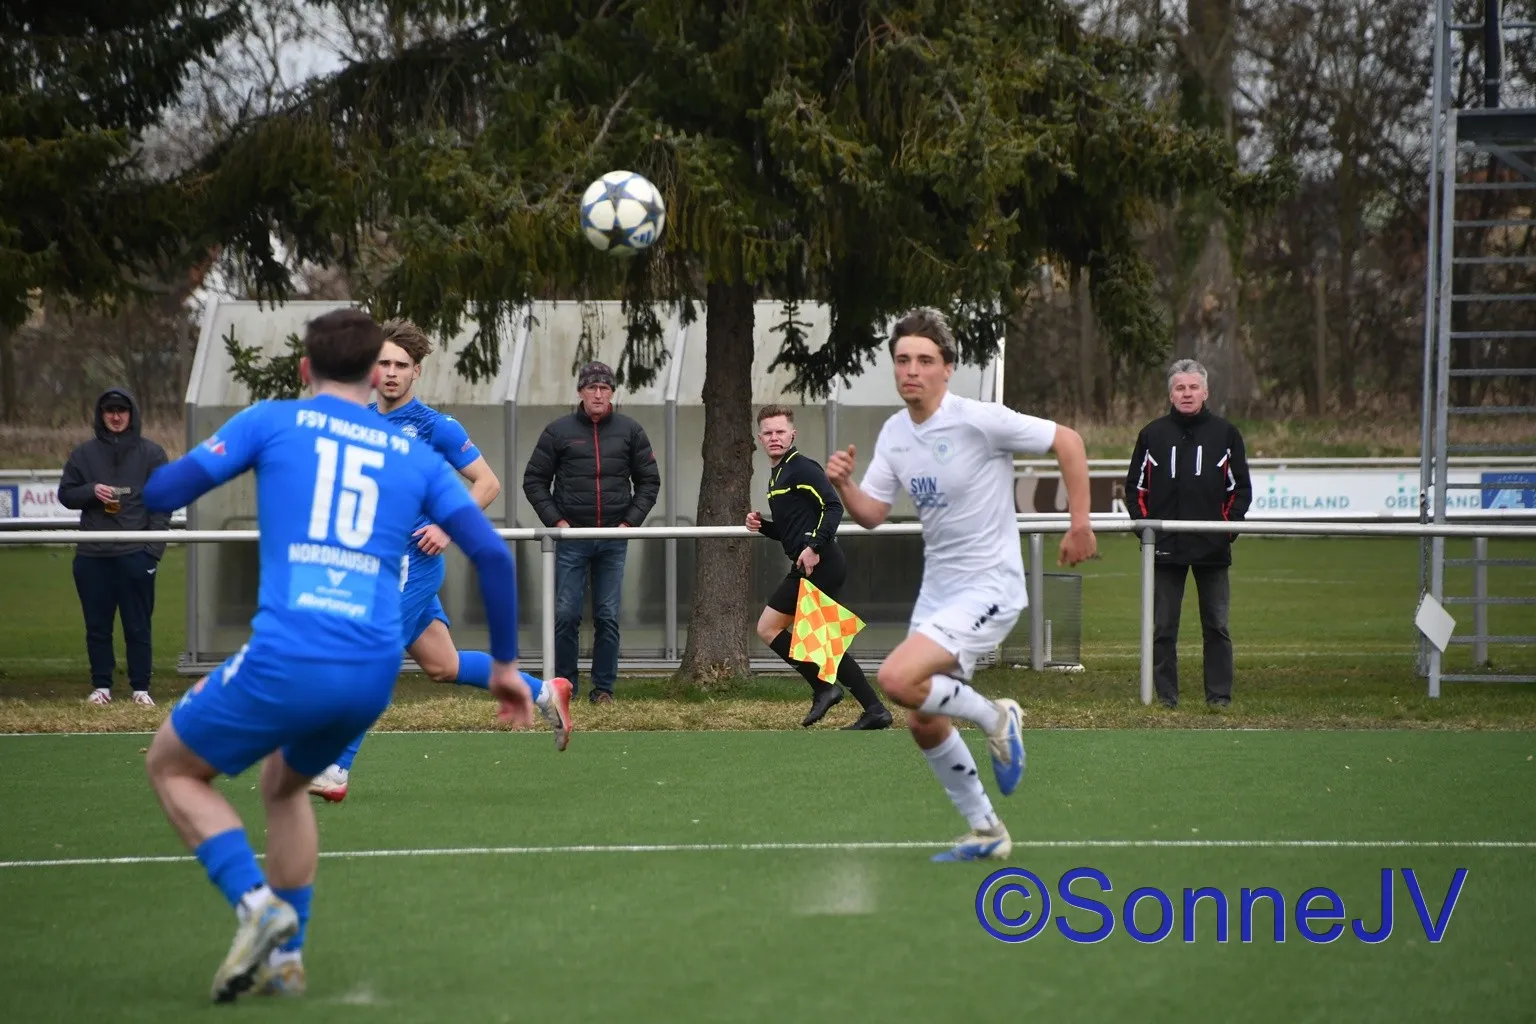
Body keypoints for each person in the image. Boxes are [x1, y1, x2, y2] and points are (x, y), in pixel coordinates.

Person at [139, 309, 534, 1003]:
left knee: (171, 766)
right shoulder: (411, 455)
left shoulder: (273, 420)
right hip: (372, 672)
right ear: (372, 374)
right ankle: (287, 959)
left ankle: (256, 904)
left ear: (304, 369)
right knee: (285, 785)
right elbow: (495, 559)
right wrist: (503, 667)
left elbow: (164, 493)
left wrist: (173, 467)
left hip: (289, 654)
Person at [825, 307, 1096, 863]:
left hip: (991, 585)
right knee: (924, 719)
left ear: (948, 368)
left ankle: (998, 717)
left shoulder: (979, 419)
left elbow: (1068, 441)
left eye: (925, 360)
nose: (912, 370)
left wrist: (1080, 523)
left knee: (896, 677)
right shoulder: (895, 433)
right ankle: (987, 829)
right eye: (903, 360)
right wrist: (846, 486)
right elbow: (873, 513)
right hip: (939, 591)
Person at [310, 320, 573, 803]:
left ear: (416, 372)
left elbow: (488, 484)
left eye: (401, 365)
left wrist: (448, 526)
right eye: (384, 363)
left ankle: (336, 768)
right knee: (444, 666)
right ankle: (544, 692)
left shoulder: (435, 426)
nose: (391, 372)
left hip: (414, 563)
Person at [745, 405, 893, 730]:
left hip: (821, 564)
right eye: (768, 433)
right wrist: (763, 526)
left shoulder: (801, 467)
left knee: (769, 628)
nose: (774, 437)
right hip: (810, 565)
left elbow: (833, 506)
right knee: (825, 643)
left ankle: (826, 688)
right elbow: (791, 530)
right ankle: (872, 709)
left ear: (792, 434)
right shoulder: (778, 475)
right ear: (760, 438)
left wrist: (814, 547)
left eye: (780, 431)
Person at [522, 361, 661, 704]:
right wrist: (557, 522)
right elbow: (534, 480)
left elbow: (649, 482)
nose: (598, 394)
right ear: (580, 392)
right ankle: (564, 687)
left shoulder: (630, 431)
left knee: (608, 616)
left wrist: (629, 523)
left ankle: (603, 690)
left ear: (612, 392)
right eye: (591, 388)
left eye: (604, 388)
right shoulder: (558, 431)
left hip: (613, 540)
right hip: (571, 540)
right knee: (566, 616)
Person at [1125, 358, 1252, 708]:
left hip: (1212, 548)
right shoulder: (1152, 435)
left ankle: (1219, 697)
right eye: (1180, 388)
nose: (1187, 393)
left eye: (1193, 387)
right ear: (1170, 394)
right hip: (1165, 548)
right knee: (1163, 627)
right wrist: (1148, 533)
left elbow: (1240, 490)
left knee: (1217, 626)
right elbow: (1135, 489)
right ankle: (1166, 697)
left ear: (1205, 392)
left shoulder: (1226, 435)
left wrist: (1226, 531)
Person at [57, 388, 171, 706]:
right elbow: (65, 495)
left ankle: (141, 688)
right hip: (92, 556)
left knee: (138, 625)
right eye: (110, 410)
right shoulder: (83, 454)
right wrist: (91, 490)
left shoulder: (152, 454)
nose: (116, 416)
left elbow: (163, 504)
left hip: (136, 555)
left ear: (132, 414)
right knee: (97, 626)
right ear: (101, 414)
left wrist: (152, 552)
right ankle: (102, 687)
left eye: (122, 410)